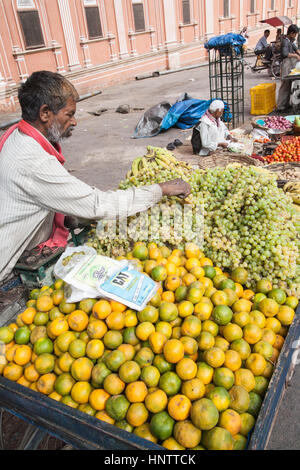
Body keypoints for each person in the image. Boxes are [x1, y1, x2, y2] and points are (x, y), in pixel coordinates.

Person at [0, 71, 191, 282]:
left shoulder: (17, 135)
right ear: (45, 113)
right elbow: (98, 204)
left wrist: (69, 211)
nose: (74, 122)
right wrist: (160, 190)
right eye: (69, 114)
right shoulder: (32, 161)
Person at [277, 24, 300, 112]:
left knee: (289, 85)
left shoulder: (290, 41)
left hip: (290, 65)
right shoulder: (285, 41)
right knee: (285, 86)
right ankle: (281, 106)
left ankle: (286, 104)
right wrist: (295, 55)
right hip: (286, 65)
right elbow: (284, 54)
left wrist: (298, 53)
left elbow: (296, 49)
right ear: (291, 33)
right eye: (295, 34)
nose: (295, 36)